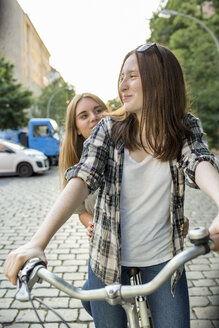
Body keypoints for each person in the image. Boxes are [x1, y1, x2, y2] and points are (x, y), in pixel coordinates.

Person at [4, 43, 219, 328]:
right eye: (121, 77)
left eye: (132, 76)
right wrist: (37, 243)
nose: (123, 85)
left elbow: (199, 162)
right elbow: (83, 178)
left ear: (160, 79)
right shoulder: (109, 129)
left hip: (166, 263)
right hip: (107, 263)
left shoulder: (184, 127)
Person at [59, 93, 108, 236]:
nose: (94, 117)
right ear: (77, 129)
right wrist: (92, 224)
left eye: (98, 110)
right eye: (84, 116)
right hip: (101, 250)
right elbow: (81, 211)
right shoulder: (76, 162)